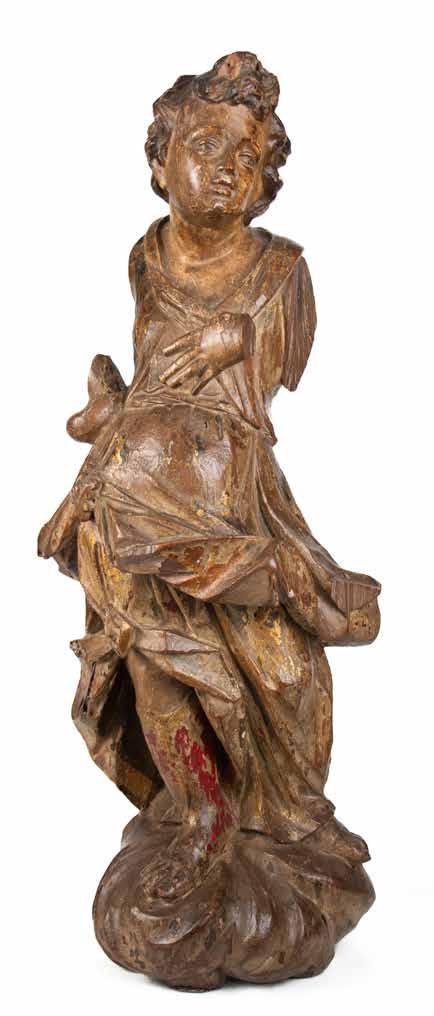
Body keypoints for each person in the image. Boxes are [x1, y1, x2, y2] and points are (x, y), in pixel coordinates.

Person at [39, 51, 380, 947]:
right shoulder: (145, 257)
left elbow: (276, 371)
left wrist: (240, 336)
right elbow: (152, 376)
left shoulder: (280, 271)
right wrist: (109, 426)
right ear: (160, 160)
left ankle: (290, 813)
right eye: (206, 145)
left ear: (267, 182)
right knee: (159, 659)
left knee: (284, 666)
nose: (227, 167)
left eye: (248, 156)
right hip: (134, 498)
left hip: (228, 499)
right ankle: (202, 811)